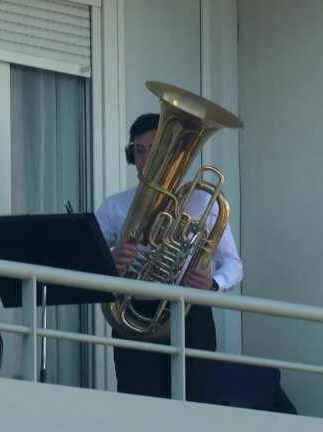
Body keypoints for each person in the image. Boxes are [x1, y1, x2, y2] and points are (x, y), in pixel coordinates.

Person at [95, 113, 243, 401]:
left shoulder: (203, 201)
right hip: (134, 314)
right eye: (139, 151)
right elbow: (85, 258)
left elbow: (234, 264)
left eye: (156, 150)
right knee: (139, 406)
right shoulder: (115, 206)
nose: (147, 159)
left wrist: (212, 283)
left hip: (191, 315)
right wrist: (109, 260)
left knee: (195, 407)